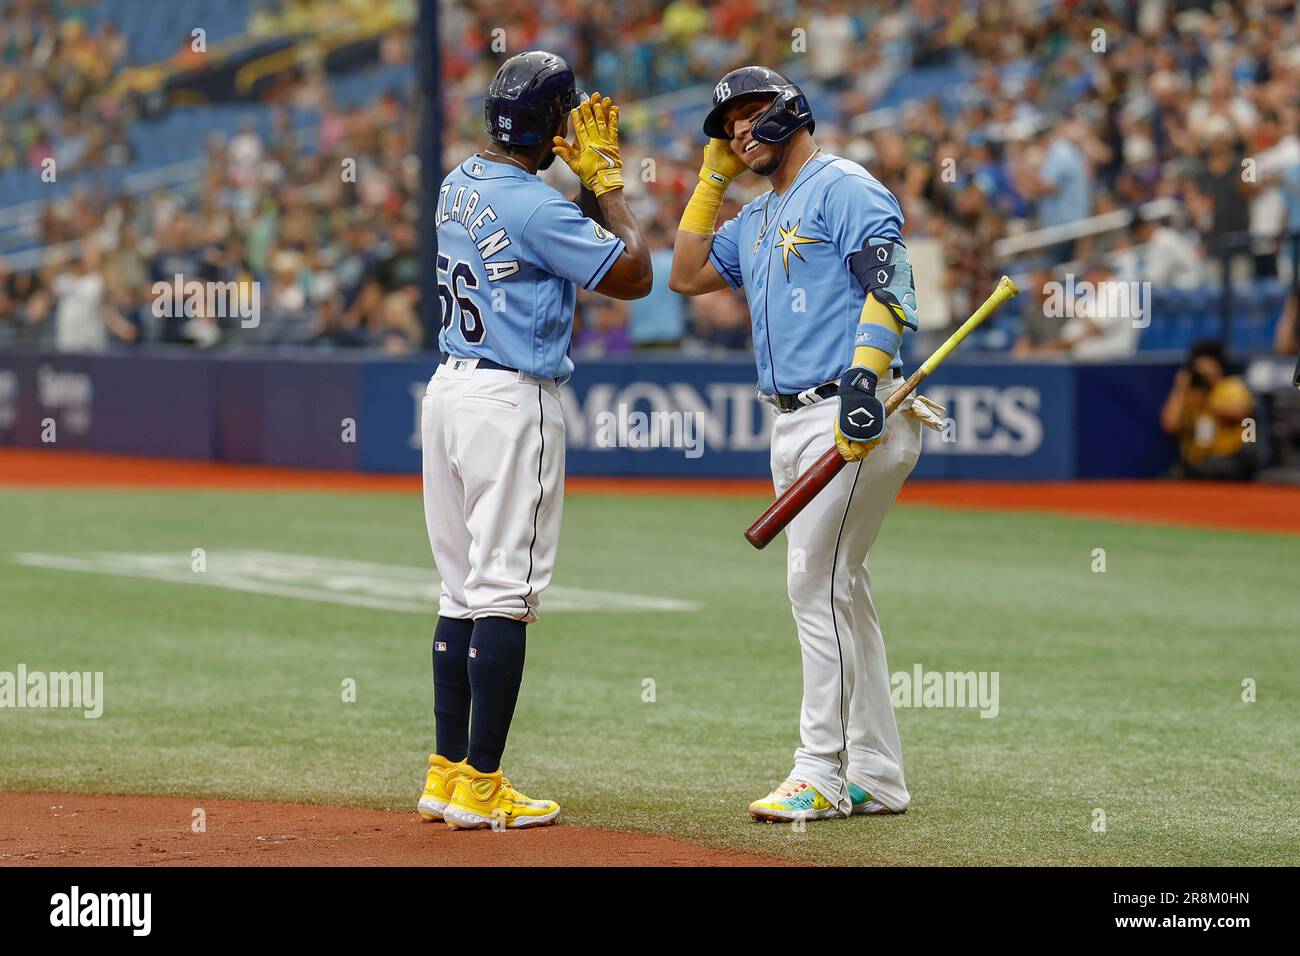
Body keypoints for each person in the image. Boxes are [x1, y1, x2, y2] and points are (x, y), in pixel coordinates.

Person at [669, 66, 943, 821]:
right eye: (726, 127)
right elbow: (685, 273)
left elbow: (891, 288)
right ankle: (878, 774)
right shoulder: (756, 216)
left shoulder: (844, 185)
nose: (737, 132)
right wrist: (710, 181)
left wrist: (863, 383)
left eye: (750, 116)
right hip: (790, 416)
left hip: (851, 407)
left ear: (792, 110)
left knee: (811, 583)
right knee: (842, 589)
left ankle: (819, 769)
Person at [417, 51, 651, 830]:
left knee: (461, 592)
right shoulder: (537, 208)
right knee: (506, 596)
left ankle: (445, 772)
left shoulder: (457, 182)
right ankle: (483, 787)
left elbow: (542, 229)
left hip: (449, 389)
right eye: (565, 113)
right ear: (549, 122)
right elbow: (634, 275)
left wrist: (571, 173)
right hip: (512, 398)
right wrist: (608, 187)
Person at [1160, 340, 1256, 481]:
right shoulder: (1189, 393)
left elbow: (1240, 411)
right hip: (1195, 463)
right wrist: (1180, 388)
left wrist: (1207, 402)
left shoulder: (1230, 387)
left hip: (1229, 461)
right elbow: (1170, 425)